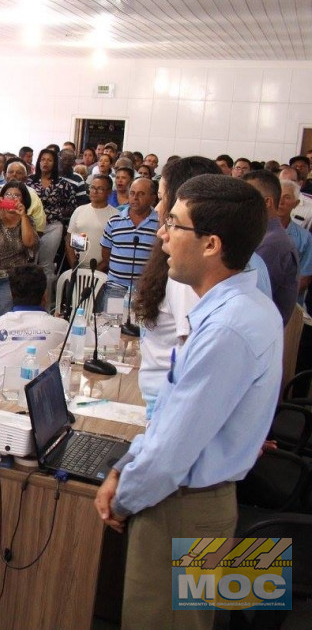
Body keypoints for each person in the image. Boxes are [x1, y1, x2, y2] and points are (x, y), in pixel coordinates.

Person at [94, 174, 282, 630]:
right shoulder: (244, 307)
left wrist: (122, 498)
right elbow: (176, 413)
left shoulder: (225, 331)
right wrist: (122, 466)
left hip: (181, 508)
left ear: (211, 244)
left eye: (174, 224)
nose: (162, 234)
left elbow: (171, 454)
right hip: (193, 501)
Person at [133, 157, 218, 408]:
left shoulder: (186, 272)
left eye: (161, 198)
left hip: (168, 402)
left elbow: (191, 359)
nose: (158, 209)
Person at [0, 265, 69, 398]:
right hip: (42, 404)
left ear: (11, 294)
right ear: (44, 295)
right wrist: (56, 323)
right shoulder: (61, 327)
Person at [0, 181, 39, 336]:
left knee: (4, 319)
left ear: (23, 200)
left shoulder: (28, 220)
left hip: (9, 278)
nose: (12, 198)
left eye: (17, 195)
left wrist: (23, 215)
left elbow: (30, 243)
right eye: (8, 194)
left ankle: (4, 356)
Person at [243, 170, 299, 323]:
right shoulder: (264, 236)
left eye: (246, 198)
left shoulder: (271, 244)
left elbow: (251, 296)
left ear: (267, 202)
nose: (240, 204)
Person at [98, 177, 160, 309]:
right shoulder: (114, 221)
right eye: (132, 193)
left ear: (153, 198)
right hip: (115, 288)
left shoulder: (160, 224)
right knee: (111, 325)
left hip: (145, 290)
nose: (135, 198)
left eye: (141, 194)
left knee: (140, 328)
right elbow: (106, 254)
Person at [28, 147, 76, 284]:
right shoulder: (29, 181)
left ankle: (46, 304)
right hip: (32, 226)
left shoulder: (64, 184)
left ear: (55, 163)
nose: (45, 163)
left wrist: (55, 213)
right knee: (30, 264)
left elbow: (72, 206)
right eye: (43, 159)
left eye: (49, 160)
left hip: (53, 226)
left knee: (46, 266)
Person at [65, 174, 116, 268]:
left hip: (102, 271)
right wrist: (75, 267)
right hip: (77, 267)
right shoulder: (80, 210)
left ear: (109, 192)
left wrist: (98, 269)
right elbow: (69, 241)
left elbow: (114, 248)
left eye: (100, 188)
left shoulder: (115, 215)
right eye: (92, 187)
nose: (95, 191)